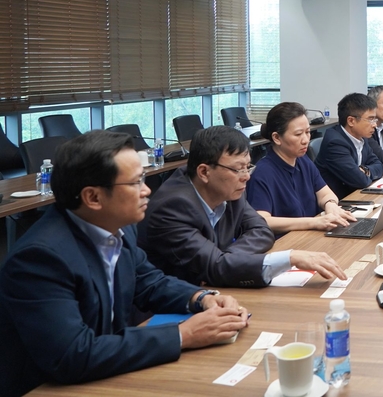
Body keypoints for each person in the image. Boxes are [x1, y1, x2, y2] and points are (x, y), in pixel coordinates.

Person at [0, 131, 250, 396]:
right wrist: (184, 335)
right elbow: (72, 354)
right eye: (136, 182)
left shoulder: (120, 229)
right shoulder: (41, 258)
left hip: (104, 374)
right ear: (93, 197)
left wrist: (202, 298)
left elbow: (149, 282)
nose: (147, 190)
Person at [139, 126, 346, 288]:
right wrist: (289, 257)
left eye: (248, 167)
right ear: (204, 172)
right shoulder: (173, 207)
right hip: (175, 307)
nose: (246, 176)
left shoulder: (230, 188)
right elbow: (215, 267)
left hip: (220, 287)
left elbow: (261, 230)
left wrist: (227, 259)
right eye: (238, 169)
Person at [246, 102, 355, 236]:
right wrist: (313, 222)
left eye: (308, 132)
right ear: (277, 137)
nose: (305, 140)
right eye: (298, 134)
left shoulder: (303, 160)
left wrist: (330, 205)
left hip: (309, 235)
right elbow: (263, 220)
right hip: (285, 244)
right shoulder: (263, 173)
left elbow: (325, 193)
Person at [315, 93, 383, 199]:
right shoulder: (335, 143)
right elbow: (360, 180)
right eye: (370, 119)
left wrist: (365, 170)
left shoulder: (361, 137)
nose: (375, 124)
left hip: (356, 197)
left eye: (374, 119)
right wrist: (364, 174)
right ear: (351, 121)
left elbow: (380, 165)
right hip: (338, 203)